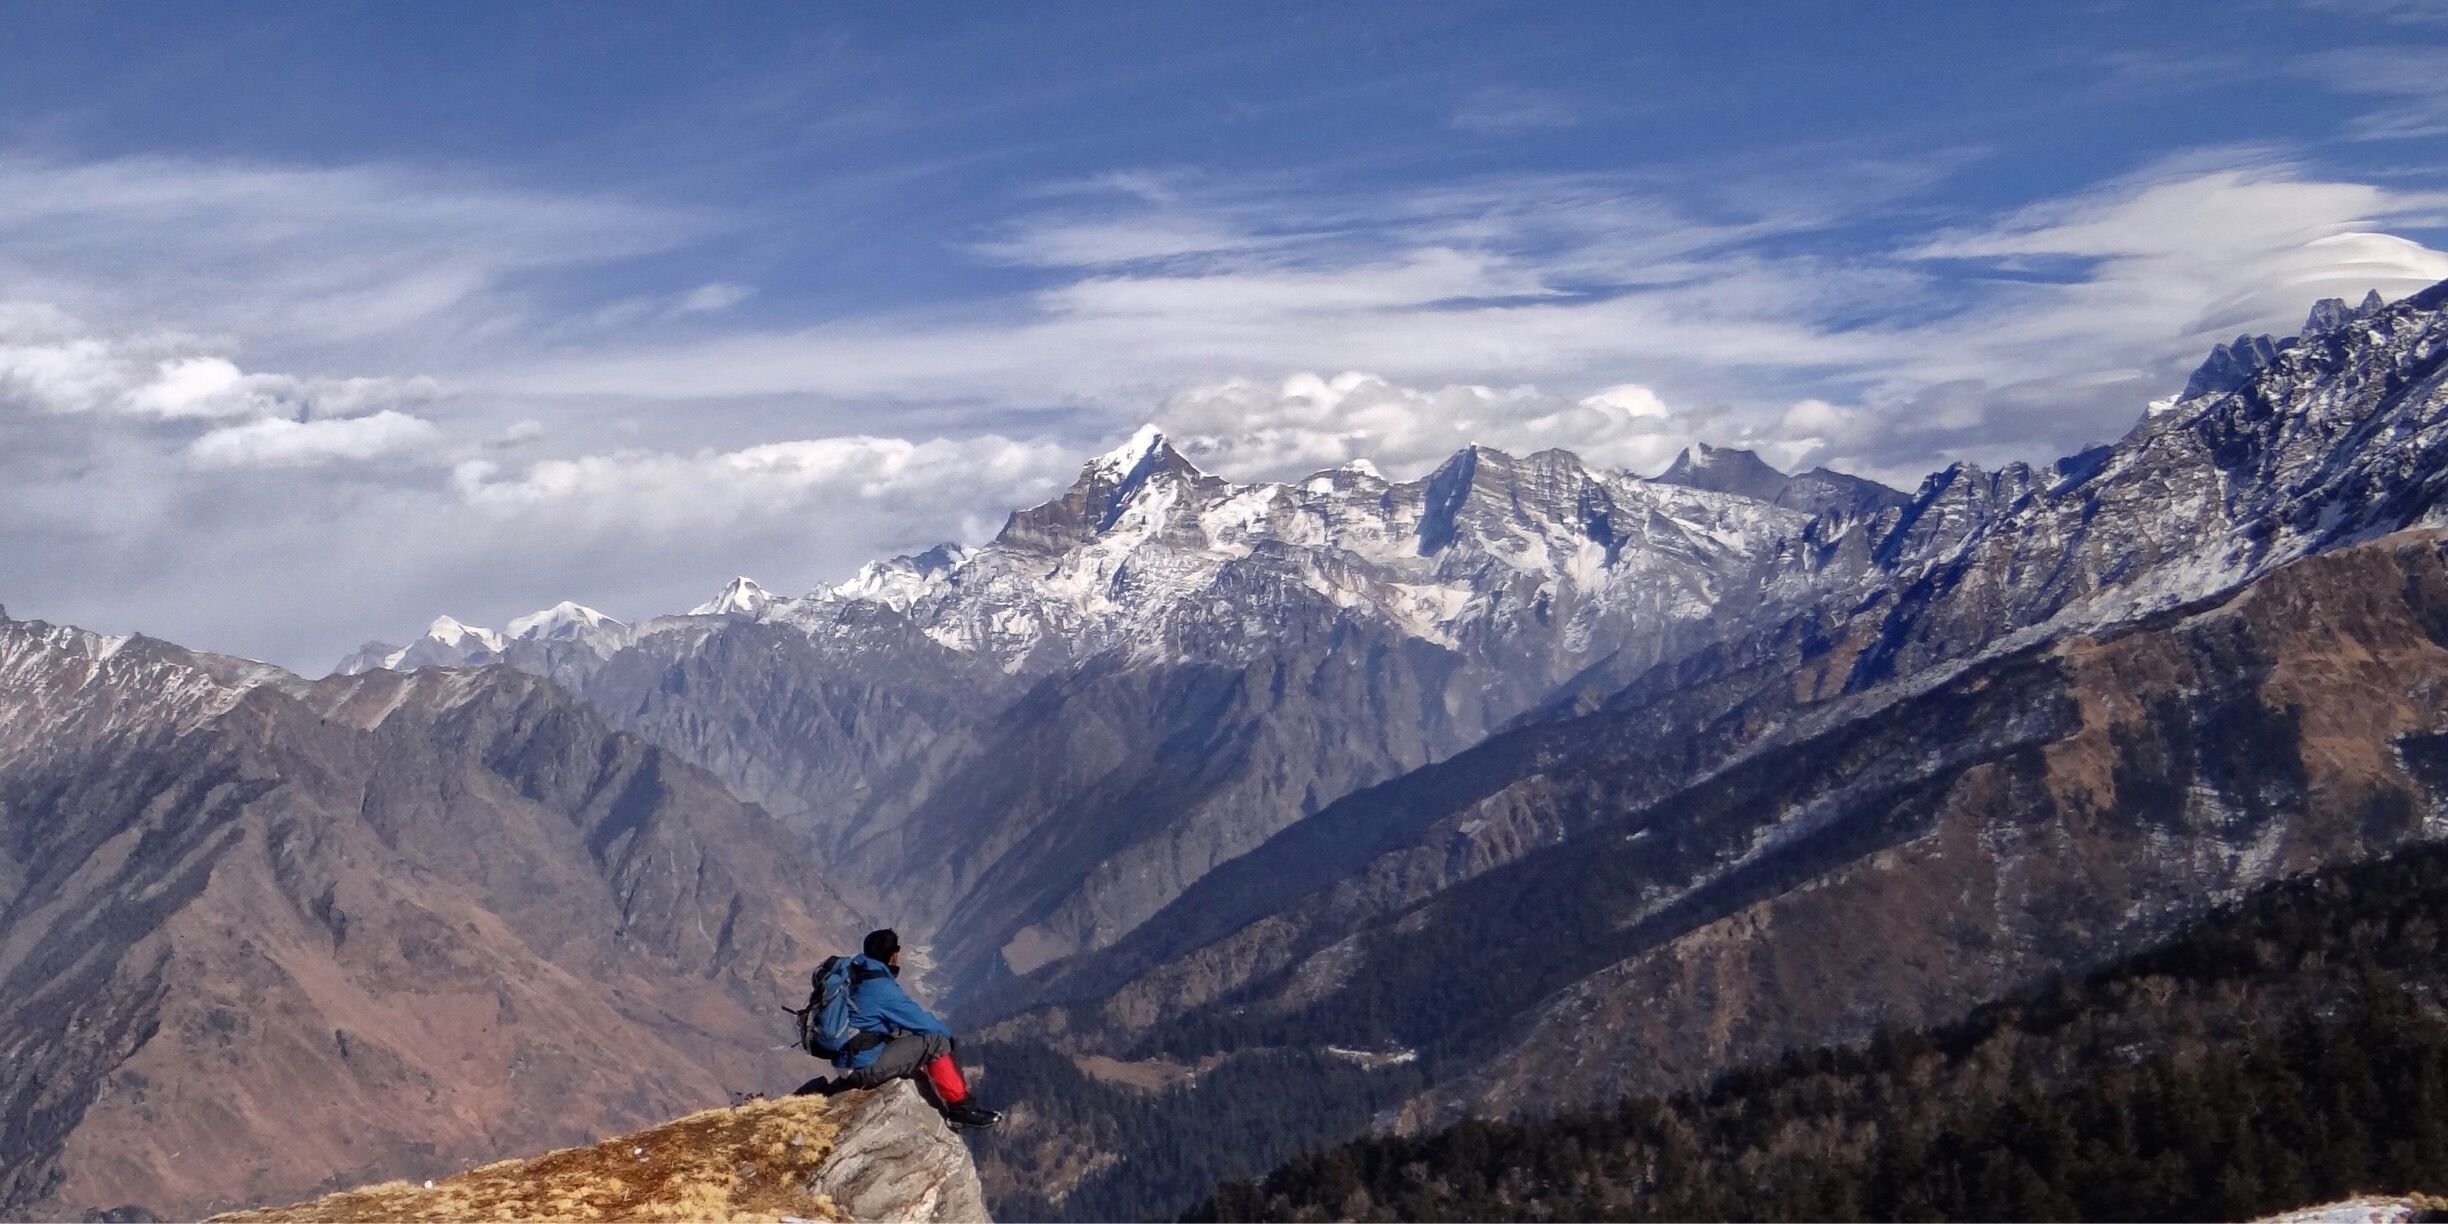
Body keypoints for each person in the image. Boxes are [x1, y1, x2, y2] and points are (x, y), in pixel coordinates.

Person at [798, 928, 1003, 1129]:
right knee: (935, 1042)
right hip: (862, 1067)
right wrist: (949, 1039)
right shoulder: (880, 988)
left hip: (847, 1058)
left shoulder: (855, 972)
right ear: (893, 955)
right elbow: (922, 1022)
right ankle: (962, 1111)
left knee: (909, 1036)